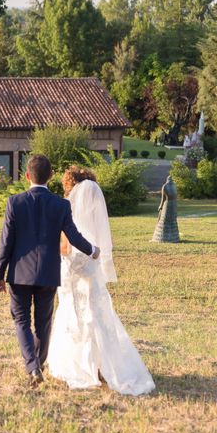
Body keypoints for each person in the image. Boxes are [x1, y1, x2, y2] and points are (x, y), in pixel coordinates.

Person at [0, 155, 100, 387]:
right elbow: (73, 236)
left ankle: (32, 367)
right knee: (43, 322)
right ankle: (38, 365)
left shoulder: (15, 202)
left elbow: (6, 242)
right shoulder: (61, 205)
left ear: (27, 176)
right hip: (48, 273)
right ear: (51, 176)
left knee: (21, 320)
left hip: (19, 274)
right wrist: (92, 250)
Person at [48, 166, 155, 395]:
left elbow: (65, 245)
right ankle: (101, 366)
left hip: (71, 265)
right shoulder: (94, 204)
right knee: (97, 314)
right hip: (91, 261)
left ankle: (76, 364)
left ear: (71, 188)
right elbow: (95, 243)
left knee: (72, 310)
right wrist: (94, 253)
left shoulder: (66, 209)